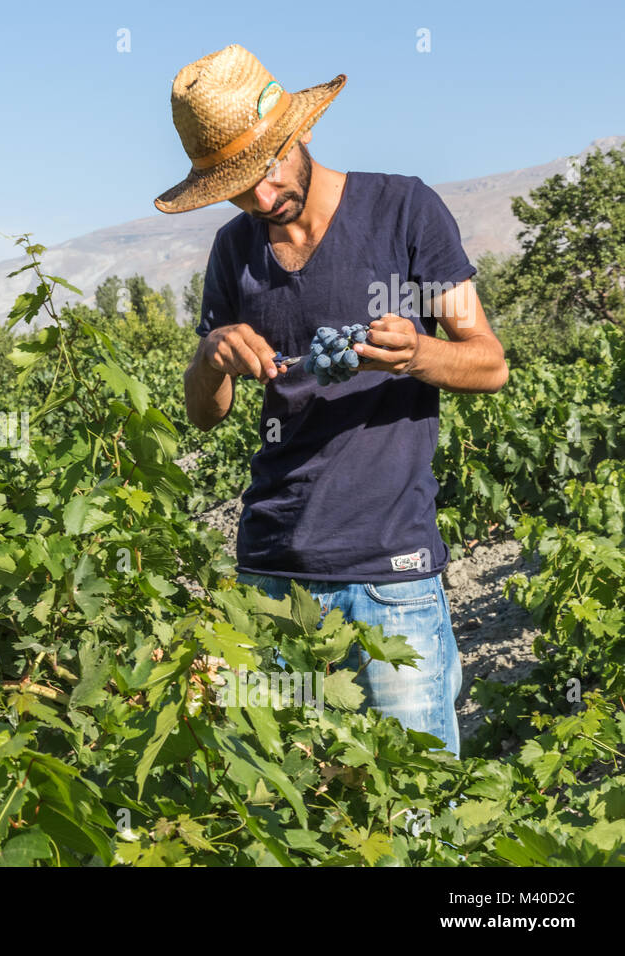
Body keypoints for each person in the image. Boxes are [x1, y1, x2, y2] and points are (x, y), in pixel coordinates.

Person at [155, 45, 508, 755]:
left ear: (302, 130)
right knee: (285, 817)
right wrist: (210, 357)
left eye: (270, 166)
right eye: (237, 184)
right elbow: (206, 412)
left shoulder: (406, 210)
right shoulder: (233, 252)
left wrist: (419, 354)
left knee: (413, 810)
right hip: (271, 578)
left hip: (390, 579)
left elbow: (489, 362)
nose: (261, 196)